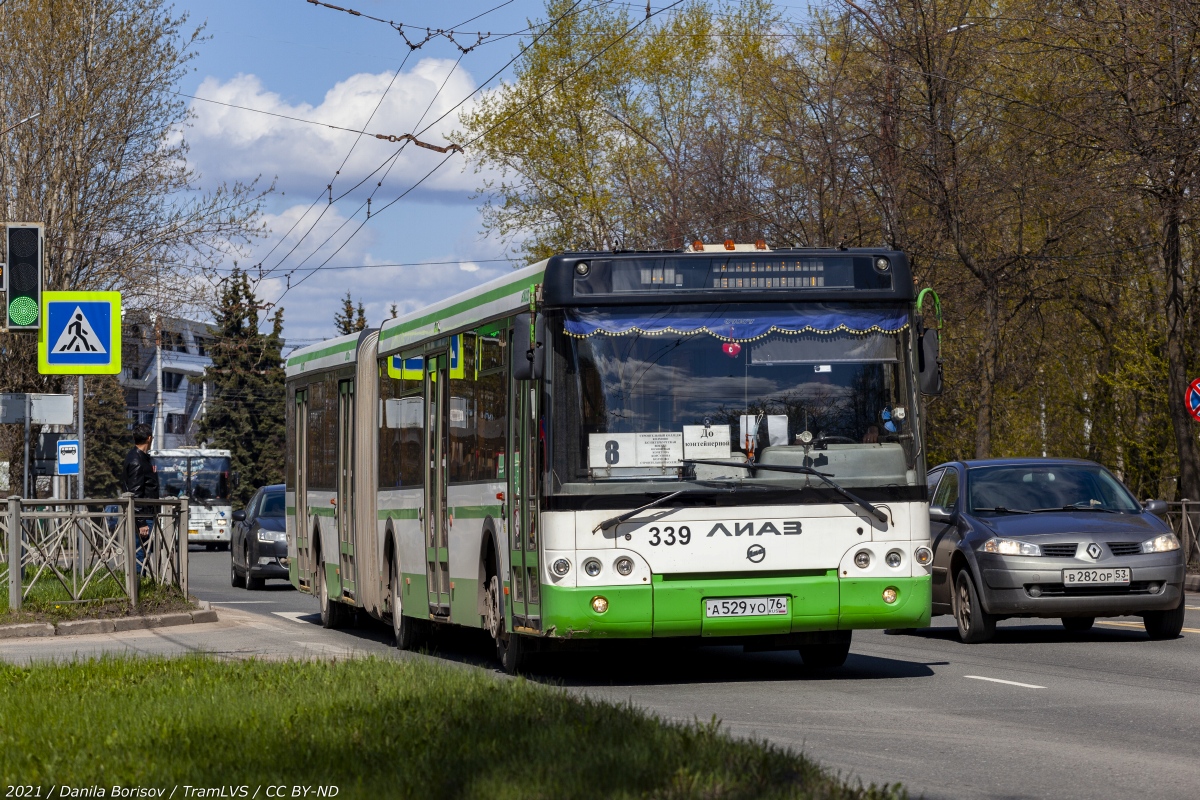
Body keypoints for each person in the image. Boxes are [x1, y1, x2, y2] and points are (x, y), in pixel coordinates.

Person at [121, 424, 159, 572]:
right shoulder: (137, 460)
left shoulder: (139, 457)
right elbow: (135, 493)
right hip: (142, 515)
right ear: (149, 438)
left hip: (144, 513)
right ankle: (137, 589)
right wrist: (141, 521)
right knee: (140, 554)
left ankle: (139, 587)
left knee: (143, 552)